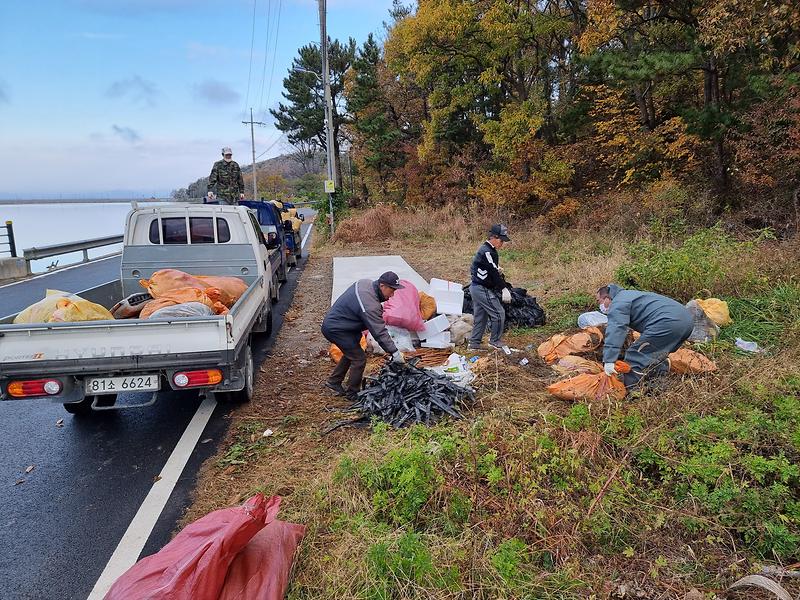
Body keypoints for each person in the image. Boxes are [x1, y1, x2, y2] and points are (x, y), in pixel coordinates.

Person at [321, 271, 407, 399]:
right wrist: (394, 352)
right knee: (359, 359)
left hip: (342, 325)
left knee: (352, 353)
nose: (392, 295)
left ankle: (334, 381)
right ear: (382, 286)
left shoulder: (366, 283)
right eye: (392, 290)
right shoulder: (370, 304)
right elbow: (379, 331)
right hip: (337, 329)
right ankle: (352, 393)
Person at [598, 284, 693, 389]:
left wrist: (609, 360)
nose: (600, 306)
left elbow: (616, 329)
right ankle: (657, 386)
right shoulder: (629, 296)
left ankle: (634, 392)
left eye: (599, 301)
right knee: (654, 353)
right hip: (686, 322)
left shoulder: (618, 303)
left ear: (607, 298)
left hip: (668, 322)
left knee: (635, 355)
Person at [468, 224, 513, 351]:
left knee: (481, 316)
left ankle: (474, 343)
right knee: (498, 313)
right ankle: (495, 341)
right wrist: (504, 288)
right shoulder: (486, 251)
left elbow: (485, 267)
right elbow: (492, 270)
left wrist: (496, 270)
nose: (502, 243)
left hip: (476, 287)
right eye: (501, 240)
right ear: (493, 237)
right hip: (481, 288)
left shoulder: (489, 250)